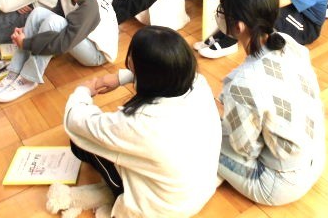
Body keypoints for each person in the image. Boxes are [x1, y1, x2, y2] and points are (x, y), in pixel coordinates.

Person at [53, 26, 221, 217]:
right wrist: (119, 78)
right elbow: (164, 72)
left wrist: (83, 91)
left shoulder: (137, 123)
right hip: (198, 191)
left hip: (160, 210)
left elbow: (76, 120)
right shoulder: (199, 83)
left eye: (132, 61)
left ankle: (113, 194)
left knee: (79, 143)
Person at [216, 0, 325, 206]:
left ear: (239, 26)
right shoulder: (287, 42)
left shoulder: (242, 85)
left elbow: (245, 149)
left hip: (280, 183)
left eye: (222, 10)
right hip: (315, 157)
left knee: (202, 139)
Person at [0, 0, 119, 102]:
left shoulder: (89, 7)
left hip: (96, 54)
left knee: (55, 22)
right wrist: (27, 29)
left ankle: (29, 79)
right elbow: (54, 15)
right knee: (38, 12)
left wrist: (26, 43)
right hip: (78, 38)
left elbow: (63, 42)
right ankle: (14, 72)